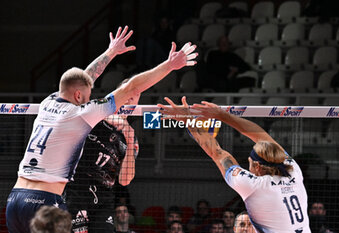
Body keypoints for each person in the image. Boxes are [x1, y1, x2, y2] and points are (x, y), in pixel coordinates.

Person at [6, 24, 198, 233]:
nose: (89, 101)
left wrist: (111, 51)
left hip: (15, 198)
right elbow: (131, 87)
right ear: (79, 96)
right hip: (46, 201)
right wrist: (169, 65)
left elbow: (83, 79)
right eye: (87, 98)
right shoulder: (84, 114)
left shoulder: (47, 103)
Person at [158, 97, 311, 233]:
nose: (248, 167)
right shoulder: (293, 171)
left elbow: (218, 153)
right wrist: (221, 115)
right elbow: (261, 137)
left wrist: (188, 120)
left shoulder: (253, 185)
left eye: (249, 163)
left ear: (257, 167)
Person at [66, 82, 140, 233]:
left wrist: (130, 139)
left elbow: (125, 180)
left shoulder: (132, 138)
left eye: (135, 95)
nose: (130, 98)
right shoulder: (96, 113)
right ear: (118, 93)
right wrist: (104, 116)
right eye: (127, 92)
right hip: (77, 188)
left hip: (104, 196)